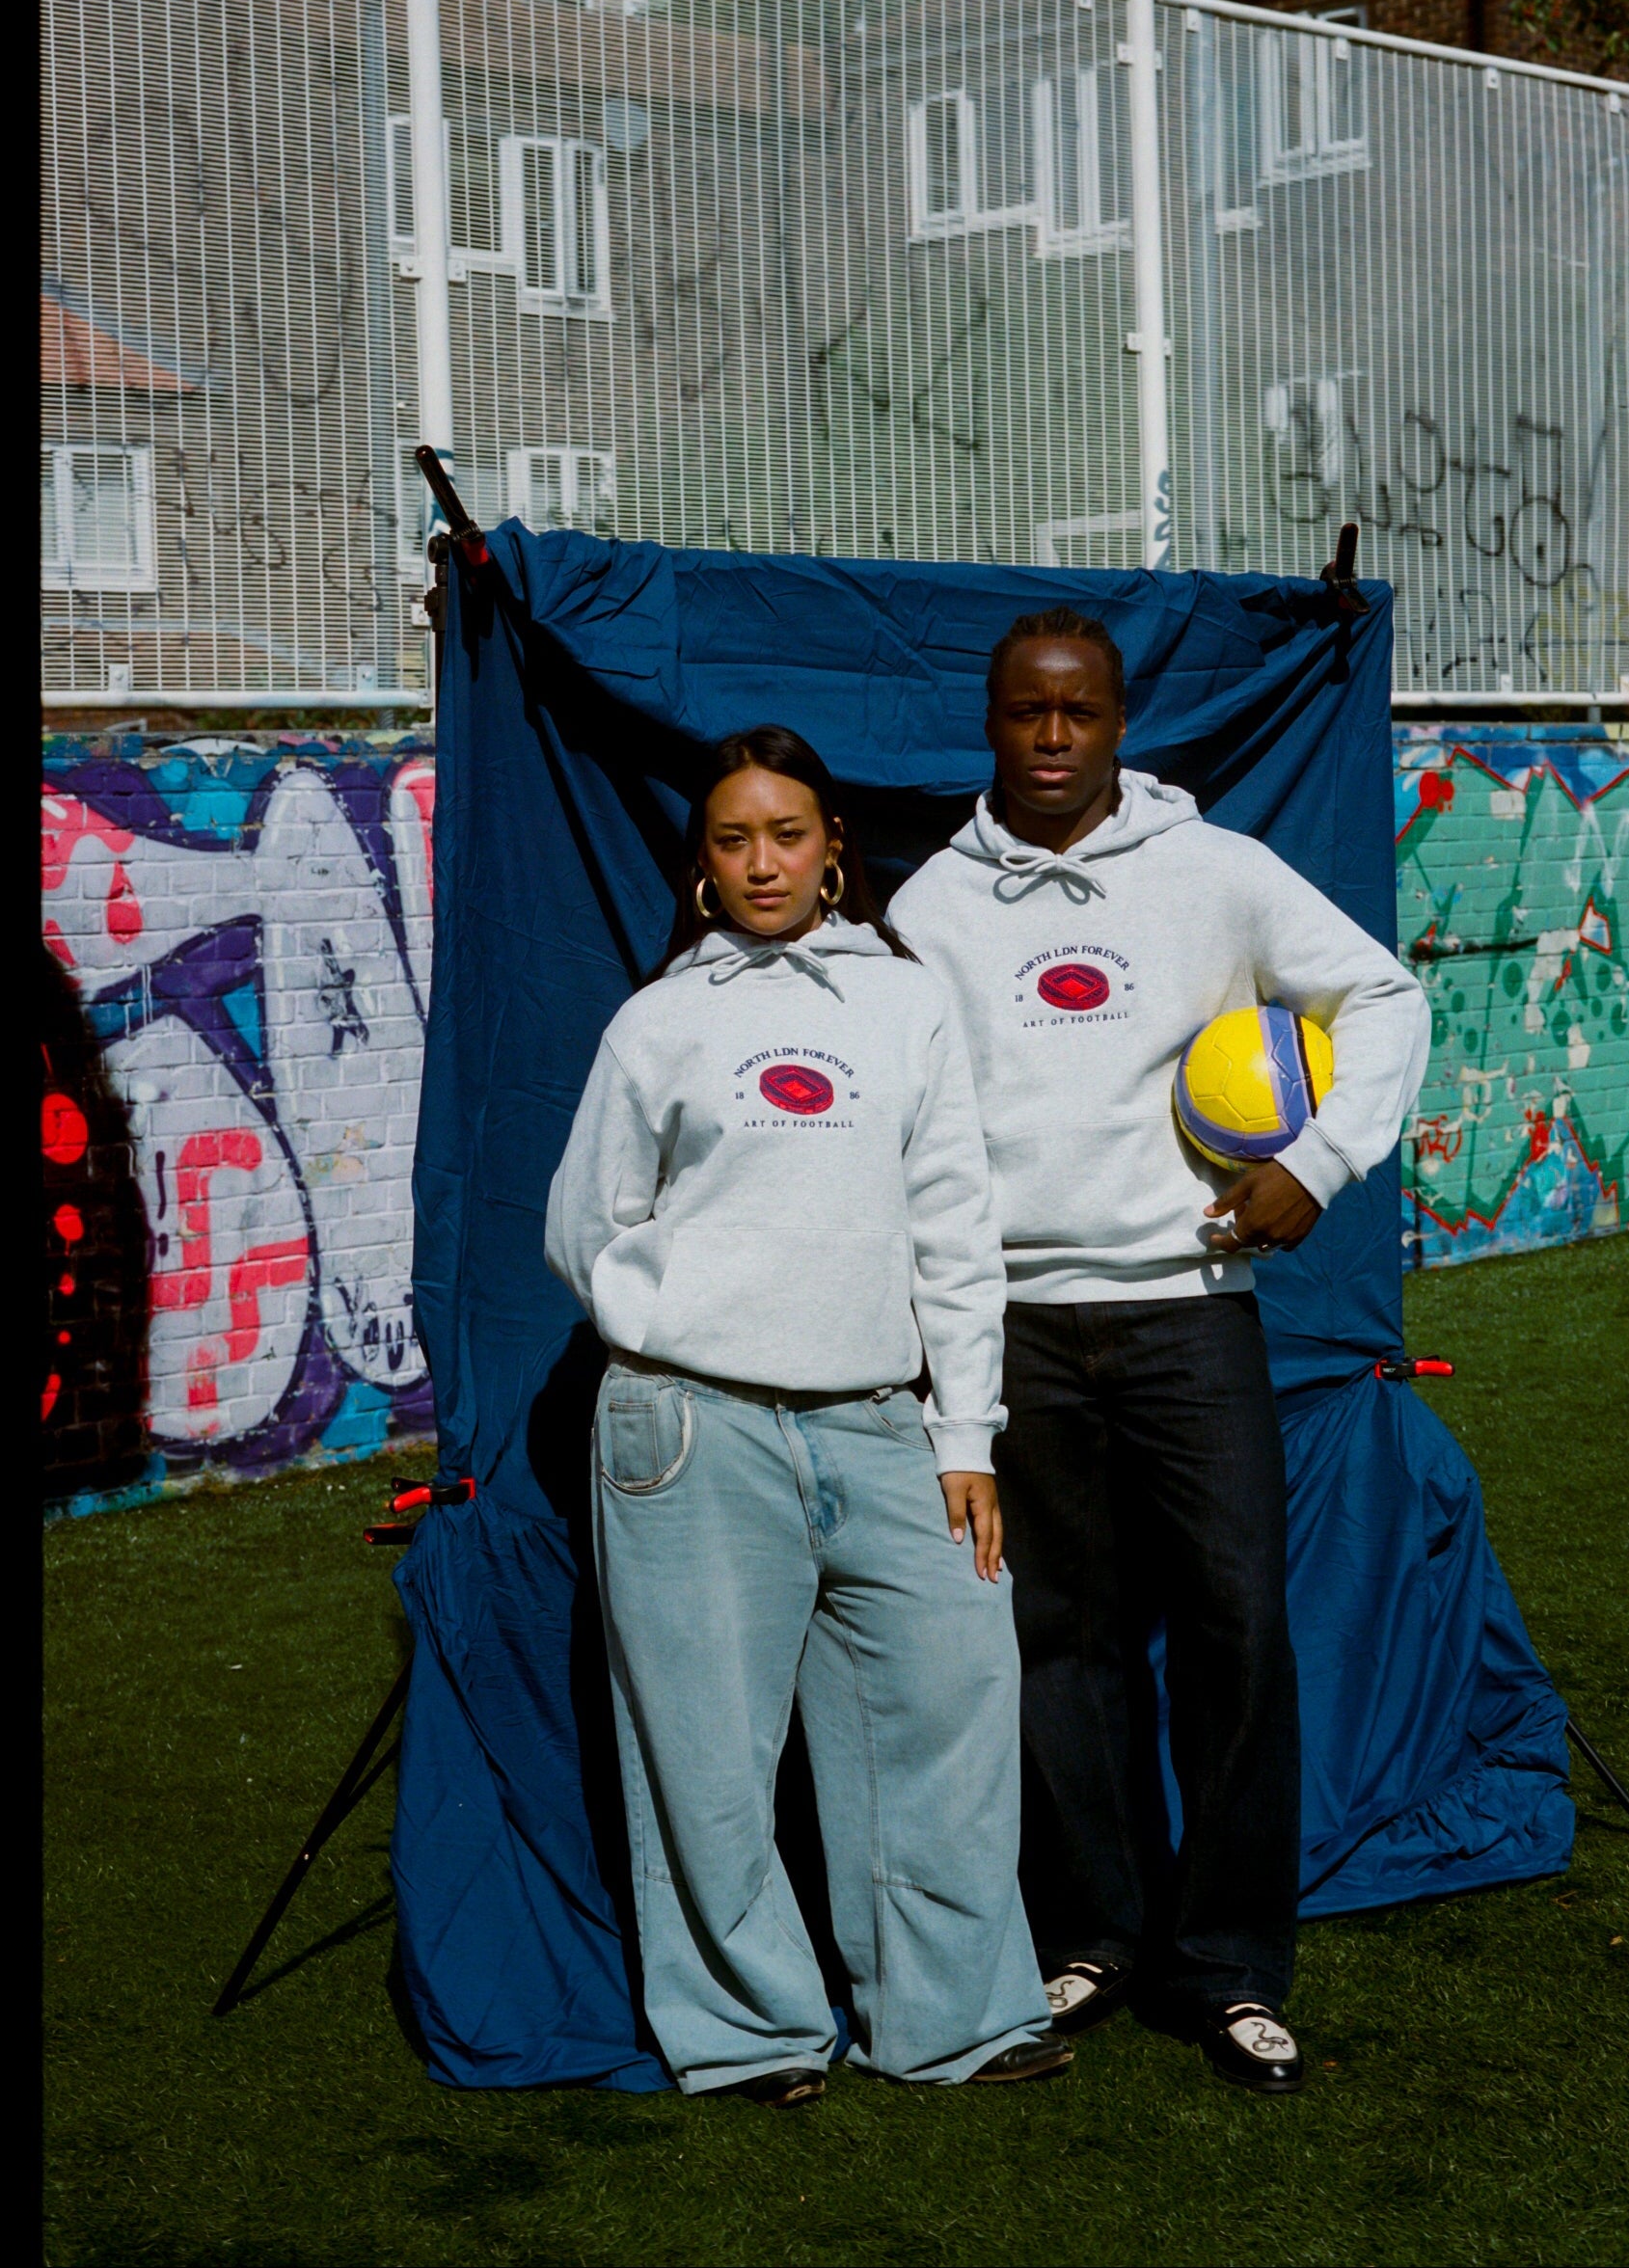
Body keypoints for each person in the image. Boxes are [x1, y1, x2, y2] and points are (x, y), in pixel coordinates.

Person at [889, 610, 1430, 2094]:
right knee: (1053, 1646)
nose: (1053, 738)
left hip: (1192, 1314)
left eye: (1079, 712)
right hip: (1018, 1329)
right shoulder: (934, 907)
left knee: (1235, 1633)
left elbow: (1386, 996)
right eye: (1025, 713)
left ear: (1121, 720)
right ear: (990, 724)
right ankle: (1093, 1934)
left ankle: (1237, 1964)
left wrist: (1319, 1165)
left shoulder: (1217, 872)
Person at [546, 726, 1069, 2108]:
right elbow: (580, 1227)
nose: (763, 861)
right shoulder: (659, 1021)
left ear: (834, 844)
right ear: (703, 866)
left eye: (788, 833)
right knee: (709, 1758)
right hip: (693, 1432)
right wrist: (678, 1318)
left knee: (949, 1713)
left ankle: (952, 2018)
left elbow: (959, 1229)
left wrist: (967, 1436)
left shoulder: (904, 1005)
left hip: (882, 1426)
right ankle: (752, 2034)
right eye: (733, 839)